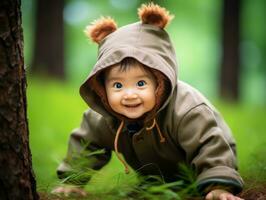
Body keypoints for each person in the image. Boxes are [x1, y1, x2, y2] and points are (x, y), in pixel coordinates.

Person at [52, 3, 244, 200]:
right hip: (155, 177)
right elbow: (87, 145)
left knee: (208, 168)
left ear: (159, 82)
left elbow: (209, 144)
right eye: (117, 86)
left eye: (141, 83)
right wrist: (72, 182)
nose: (129, 94)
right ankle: (153, 185)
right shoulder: (103, 117)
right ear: (102, 87)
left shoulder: (187, 108)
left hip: (200, 174)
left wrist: (219, 186)